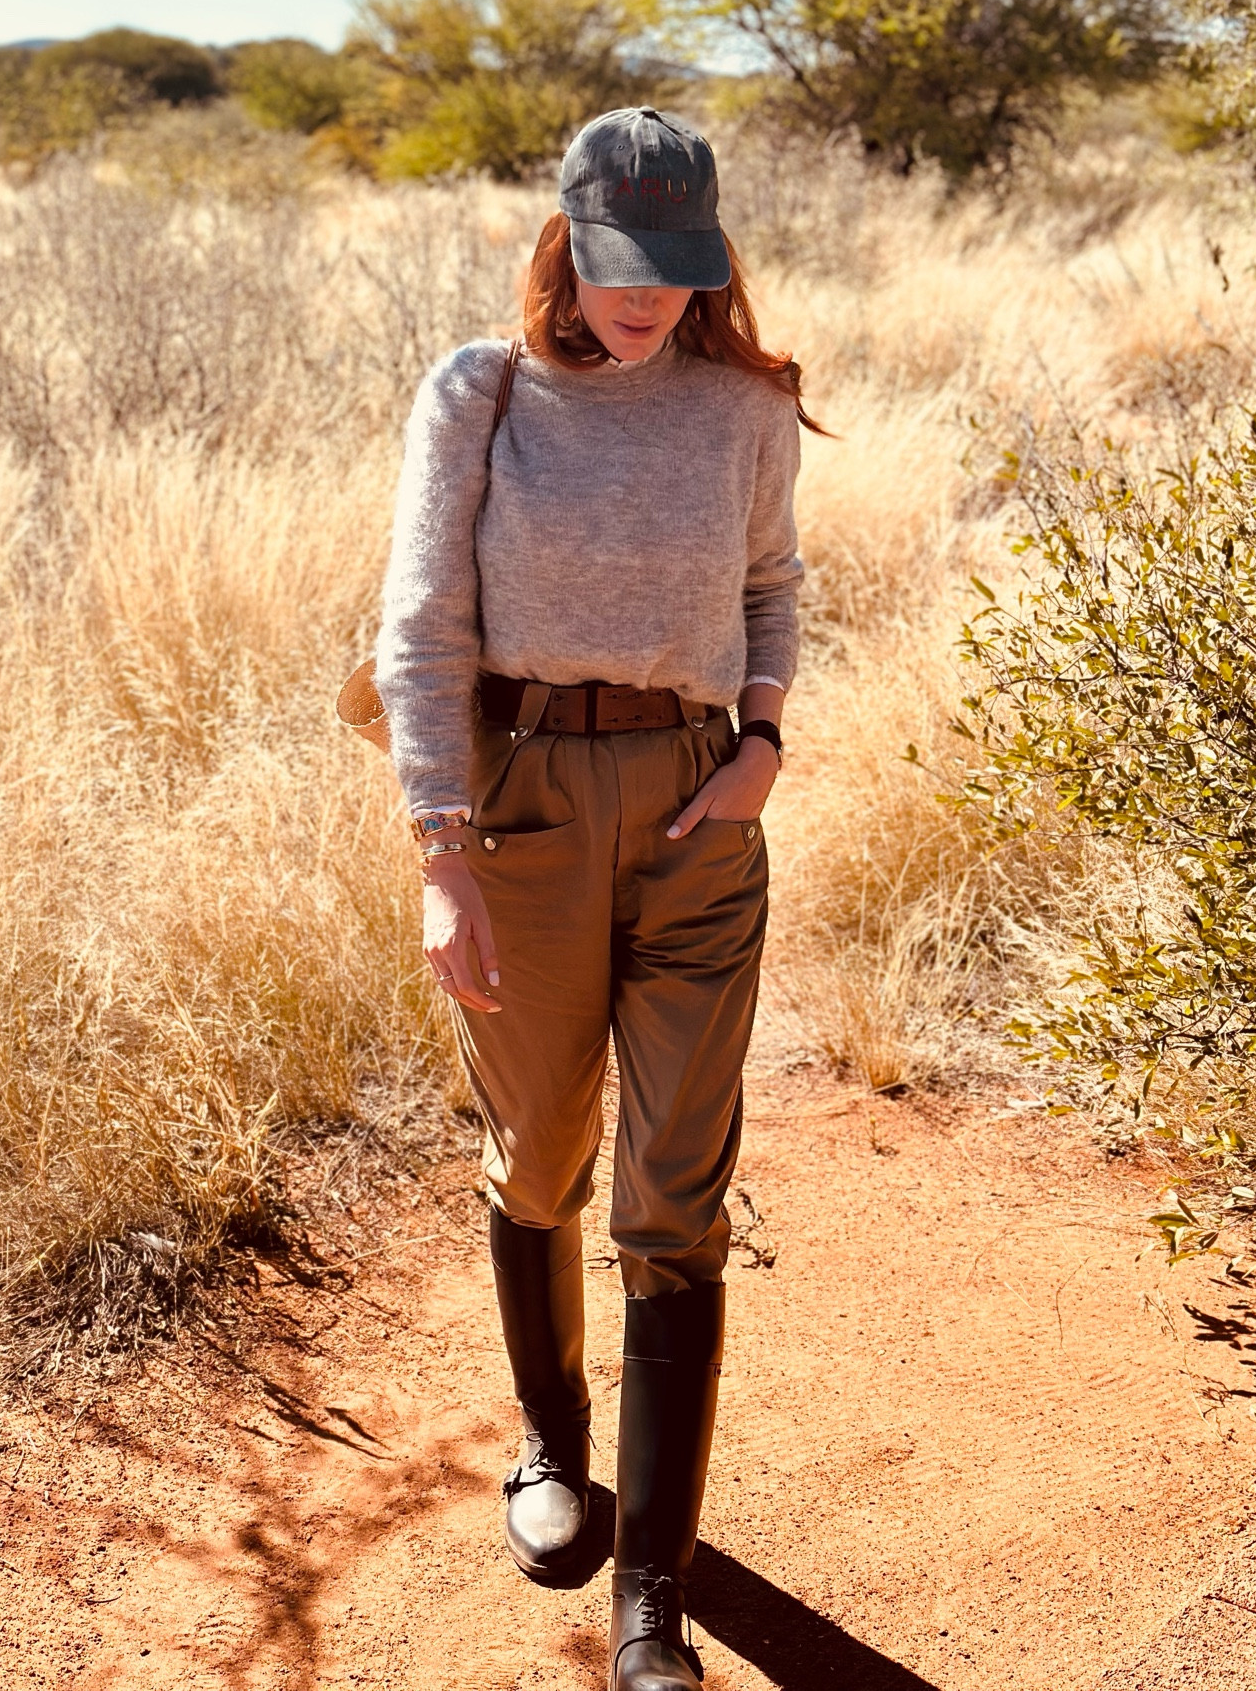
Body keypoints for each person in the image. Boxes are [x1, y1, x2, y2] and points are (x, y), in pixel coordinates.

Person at [376, 106, 818, 1690]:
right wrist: (440, 856)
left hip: (700, 804)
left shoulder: (745, 404)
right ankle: (550, 1446)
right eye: (626, 269)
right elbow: (419, 629)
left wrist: (763, 738)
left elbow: (771, 579)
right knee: (546, 1149)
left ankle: (653, 1598)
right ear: (567, 238)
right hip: (527, 807)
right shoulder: (481, 395)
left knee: (676, 1196)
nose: (650, 303)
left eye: (679, 273)